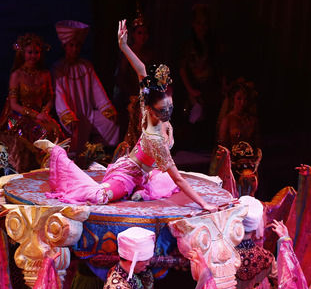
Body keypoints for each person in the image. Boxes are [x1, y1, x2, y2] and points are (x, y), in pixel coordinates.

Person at [33, 20, 217, 211]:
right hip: (128, 174)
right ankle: (58, 155)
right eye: (164, 108)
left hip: (145, 174)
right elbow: (178, 179)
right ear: (150, 109)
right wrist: (204, 204)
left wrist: (124, 46)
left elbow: (142, 70)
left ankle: (142, 189)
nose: (168, 110)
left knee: (163, 179)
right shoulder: (153, 134)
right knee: (100, 196)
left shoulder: (157, 110)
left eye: (169, 105)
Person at [0, 33, 63, 172]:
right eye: (30, 52)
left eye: (36, 52)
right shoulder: (16, 75)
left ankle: (50, 172)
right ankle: (28, 172)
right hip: (18, 117)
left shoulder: (45, 74)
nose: (33, 56)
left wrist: (44, 112)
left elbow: (50, 98)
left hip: (40, 115)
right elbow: (14, 105)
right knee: (38, 131)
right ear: (23, 53)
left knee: (55, 130)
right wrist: (36, 115)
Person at [53, 20, 119, 156]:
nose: (75, 49)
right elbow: (59, 96)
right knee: (76, 136)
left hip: (88, 113)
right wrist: (67, 115)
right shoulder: (58, 68)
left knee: (110, 123)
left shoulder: (85, 66)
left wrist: (107, 109)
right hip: (72, 115)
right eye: (71, 45)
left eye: (77, 45)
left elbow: (97, 90)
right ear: (65, 46)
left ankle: (99, 152)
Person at [177, 3, 225, 150]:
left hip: (209, 86)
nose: (202, 27)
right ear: (193, 24)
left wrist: (223, 85)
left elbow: (218, 66)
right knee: (194, 113)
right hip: (193, 86)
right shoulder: (188, 44)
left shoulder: (212, 44)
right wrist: (190, 90)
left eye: (204, 24)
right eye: (198, 23)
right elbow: (182, 69)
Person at [113, 6, 156, 147]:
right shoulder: (127, 54)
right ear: (133, 34)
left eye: (145, 33)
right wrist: (131, 97)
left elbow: (149, 77)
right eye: (139, 33)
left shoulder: (149, 54)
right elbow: (120, 78)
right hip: (129, 97)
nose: (143, 36)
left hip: (145, 96)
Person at [216, 77, 259, 149]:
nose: (242, 102)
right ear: (233, 99)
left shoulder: (252, 119)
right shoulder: (227, 120)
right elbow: (222, 145)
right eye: (239, 98)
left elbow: (258, 144)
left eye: (245, 99)